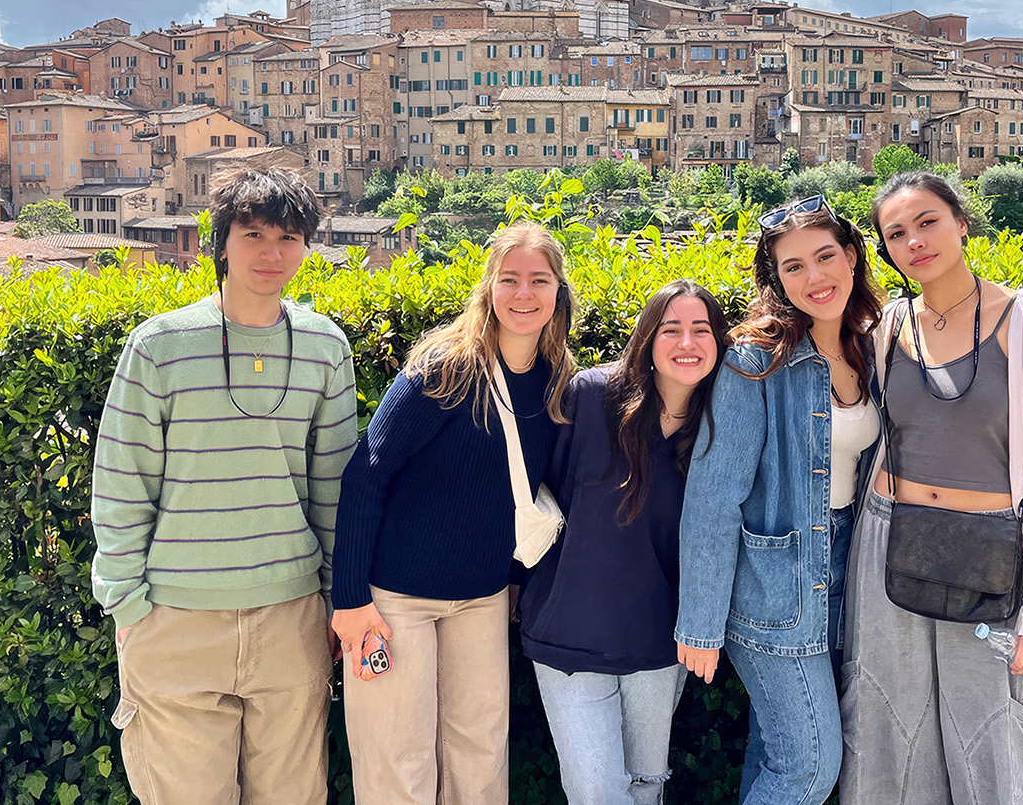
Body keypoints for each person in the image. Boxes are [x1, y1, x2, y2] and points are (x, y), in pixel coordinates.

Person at [90, 167, 356, 804]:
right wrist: (127, 606)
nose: (272, 253)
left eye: (289, 237)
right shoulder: (160, 346)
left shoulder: (325, 346)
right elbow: (123, 479)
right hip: (177, 621)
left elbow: (335, 489)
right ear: (222, 243)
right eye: (254, 234)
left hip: (291, 619)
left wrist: (332, 599)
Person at [839, 170, 1023, 805]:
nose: (914, 240)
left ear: (962, 223)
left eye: (928, 222)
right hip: (891, 540)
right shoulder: (887, 327)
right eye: (896, 233)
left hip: (989, 552)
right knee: (885, 725)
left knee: (990, 735)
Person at [332, 221, 577, 805]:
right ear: (489, 288)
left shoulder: (554, 381)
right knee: (398, 762)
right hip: (395, 600)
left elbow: (526, 493)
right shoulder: (444, 370)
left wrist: (516, 583)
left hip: (484, 598)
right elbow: (367, 475)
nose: (524, 294)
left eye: (538, 280)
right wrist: (349, 601)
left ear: (557, 293)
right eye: (510, 279)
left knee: (481, 754)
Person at [676, 196, 886, 805]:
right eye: (793, 267)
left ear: (851, 256)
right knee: (810, 766)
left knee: (778, 752)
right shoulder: (754, 361)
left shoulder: (871, 345)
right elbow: (714, 496)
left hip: (851, 579)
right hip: (774, 591)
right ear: (776, 279)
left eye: (824, 257)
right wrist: (701, 622)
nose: (814, 278)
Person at [520, 280, 732, 805]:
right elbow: (534, 488)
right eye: (672, 329)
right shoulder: (592, 397)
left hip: (659, 638)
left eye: (701, 330)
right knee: (597, 792)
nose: (687, 342)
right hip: (570, 629)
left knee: (645, 783)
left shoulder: (723, 422)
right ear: (647, 338)